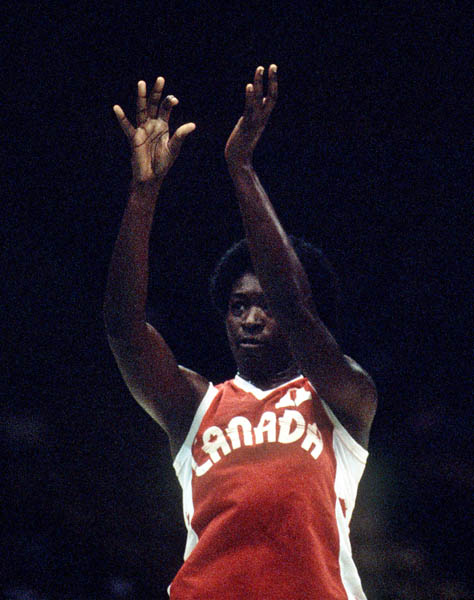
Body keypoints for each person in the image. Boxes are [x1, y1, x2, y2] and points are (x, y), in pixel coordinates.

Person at [104, 65, 377, 599]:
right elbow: (122, 328)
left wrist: (241, 167)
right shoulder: (195, 406)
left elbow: (297, 309)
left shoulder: (345, 400)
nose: (251, 318)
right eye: (237, 306)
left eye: (264, 305)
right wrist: (144, 194)